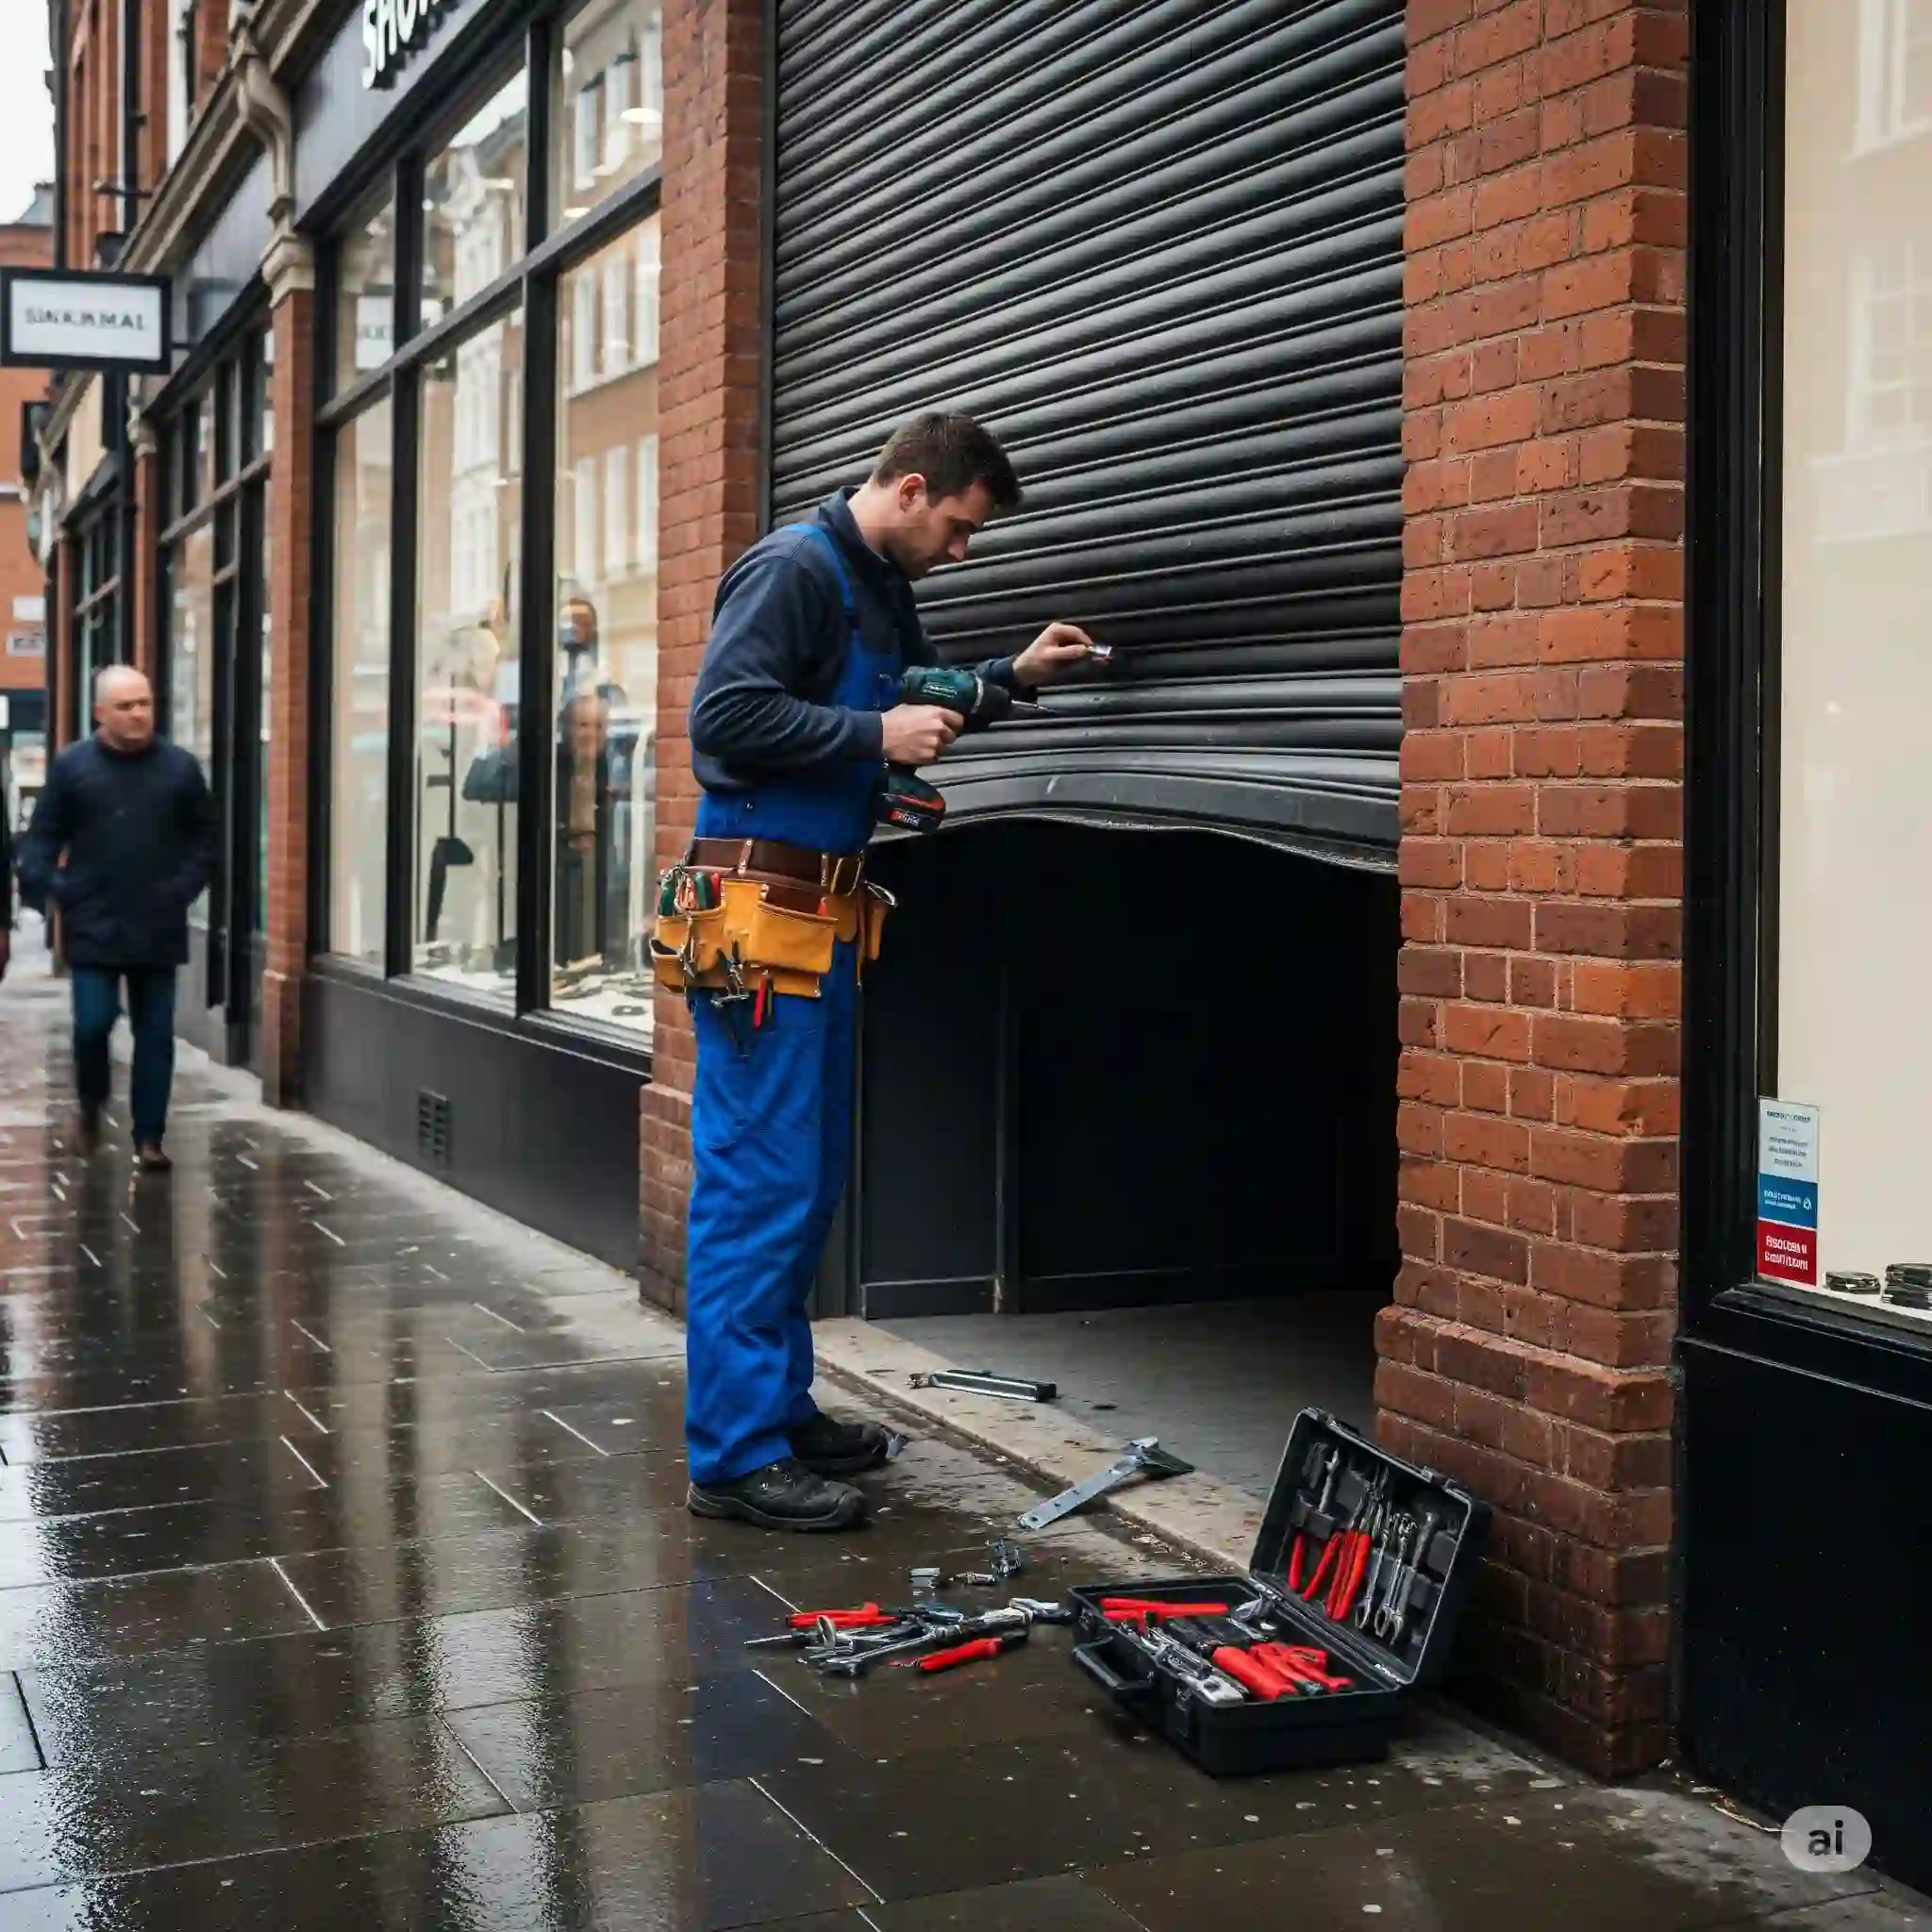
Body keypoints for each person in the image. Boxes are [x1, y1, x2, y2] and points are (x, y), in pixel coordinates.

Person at [681, 410, 1096, 1530]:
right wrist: (874, 739)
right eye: (957, 528)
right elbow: (721, 715)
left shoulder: (872, 581)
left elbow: (900, 685)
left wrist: (1007, 676)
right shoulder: (791, 568)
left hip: (817, 915)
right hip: (760, 913)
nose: (959, 550)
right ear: (909, 489)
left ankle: (775, 1408)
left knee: (806, 1176)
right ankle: (731, 1455)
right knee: (756, 1181)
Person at [16, 666, 215, 1170]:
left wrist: (181, 890)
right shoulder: (73, 768)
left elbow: (206, 841)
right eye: (126, 706)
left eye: (145, 703)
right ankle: (91, 1103)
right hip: (94, 923)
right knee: (92, 1024)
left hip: (157, 922)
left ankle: (150, 1137)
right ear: (100, 713)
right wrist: (61, 891)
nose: (139, 714)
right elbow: (41, 841)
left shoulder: (179, 769)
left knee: (155, 1035)